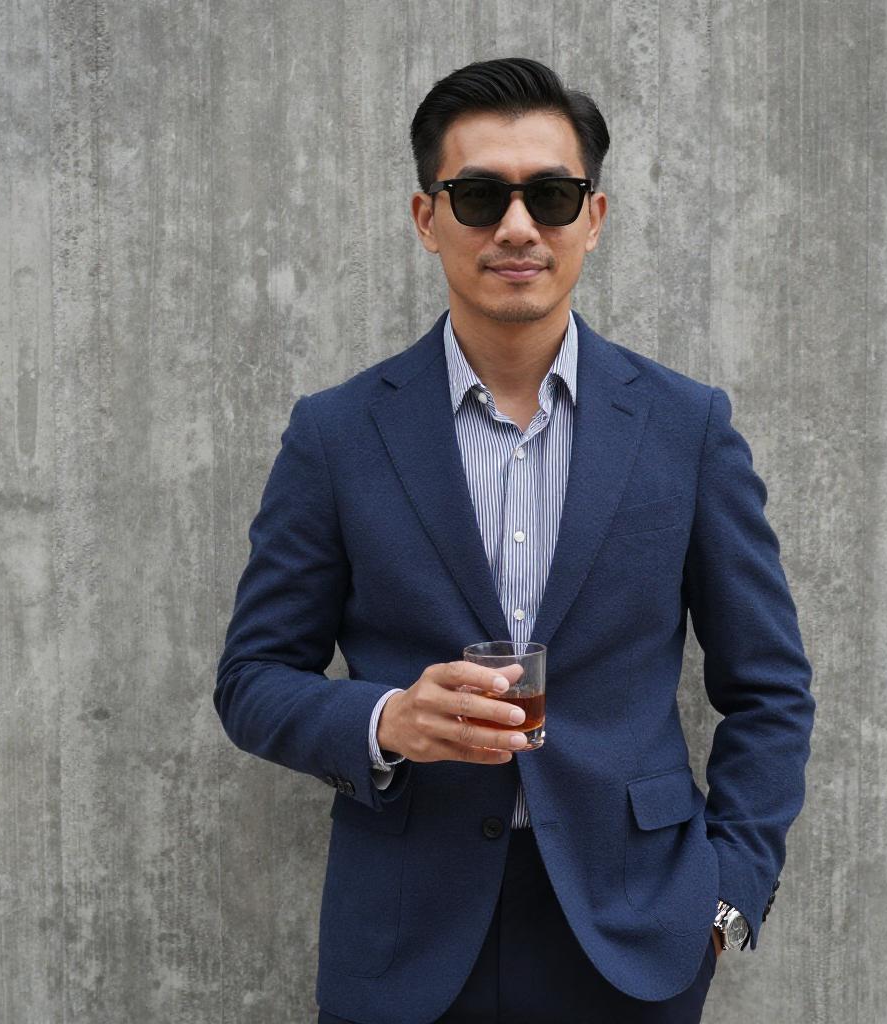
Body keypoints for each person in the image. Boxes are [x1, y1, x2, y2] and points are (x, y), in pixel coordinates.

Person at [214, 56, 816, 1024]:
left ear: (594, 216)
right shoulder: (336, 434)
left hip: (636, 932)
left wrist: (724, 898)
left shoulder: (685, 426)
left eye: (551, 195)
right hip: (404, 936)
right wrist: (386, 721)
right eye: (480, 196)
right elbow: (252, 679)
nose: (518, 226)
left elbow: (769, 685)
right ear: (427, 218)